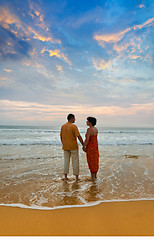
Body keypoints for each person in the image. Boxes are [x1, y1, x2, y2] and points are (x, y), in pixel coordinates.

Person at [60, 114, 84, 182]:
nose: (75, 119)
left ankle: (65, 177)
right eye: (74, 118)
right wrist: (83, 144)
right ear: (71, 118)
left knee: (66, 161)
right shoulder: (74, 126)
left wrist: (63, 144)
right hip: (73, 146)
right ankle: (76, 178)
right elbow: (78, 136)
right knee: (75, 161)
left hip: (65, 146)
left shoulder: (63, 126)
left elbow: (61, 136)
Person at [83, 117, 99, 181]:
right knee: (95, 161)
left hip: (90, 147)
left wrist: (83, 146)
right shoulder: (96, 129)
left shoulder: (89, 130)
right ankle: (95, 176)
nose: (86, 122)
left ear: (90, 122)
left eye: (87, 121)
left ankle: (92, 178)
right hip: (95, 147)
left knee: (91, 161)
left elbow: (87, 140)